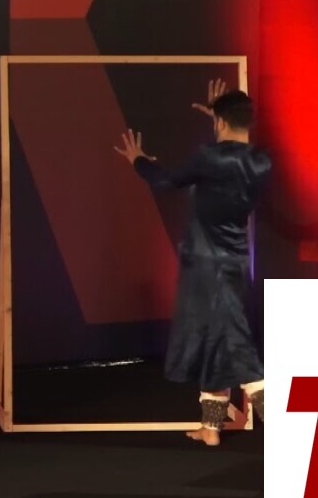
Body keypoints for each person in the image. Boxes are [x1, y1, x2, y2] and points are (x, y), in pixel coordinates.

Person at [114, 79, 269, 446]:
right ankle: (210, 427)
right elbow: (229, 158)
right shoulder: (262, 162)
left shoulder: (209, 157)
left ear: (220, 122)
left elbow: (167, 180)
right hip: (234, 262)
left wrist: (139, 161)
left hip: (205, 265)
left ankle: (284, 422)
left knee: (233, 341)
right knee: (215, 337)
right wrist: (218, 115)